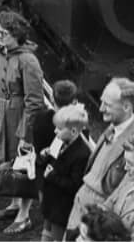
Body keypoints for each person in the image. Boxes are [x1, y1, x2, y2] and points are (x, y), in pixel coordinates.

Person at [0, 11, 46, 235]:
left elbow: (35, 102)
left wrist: (26, 134)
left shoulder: (28, 61)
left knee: (21, 163)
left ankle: (24, 216)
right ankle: (13, 204)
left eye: (4, 33)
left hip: (19, 115)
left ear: (17, 34)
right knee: (4, 160)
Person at [66, 78, 134, 236]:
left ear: (126, 107)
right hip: (80, 208)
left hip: (97, 221)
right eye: (102, 102)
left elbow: (127, 193)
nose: (101, 108)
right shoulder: (113, 127)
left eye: (108, 105)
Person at [38, 104, 93, 242]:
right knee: (46, 232)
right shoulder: (59, 142)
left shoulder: (81, 154)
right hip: (51, 204)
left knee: (57, 236)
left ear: (73, 131)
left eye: (59, 129)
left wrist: (52, 176)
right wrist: (45, 156)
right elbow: (50, 161)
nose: (55, 131)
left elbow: (74, 185)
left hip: (62, 208)